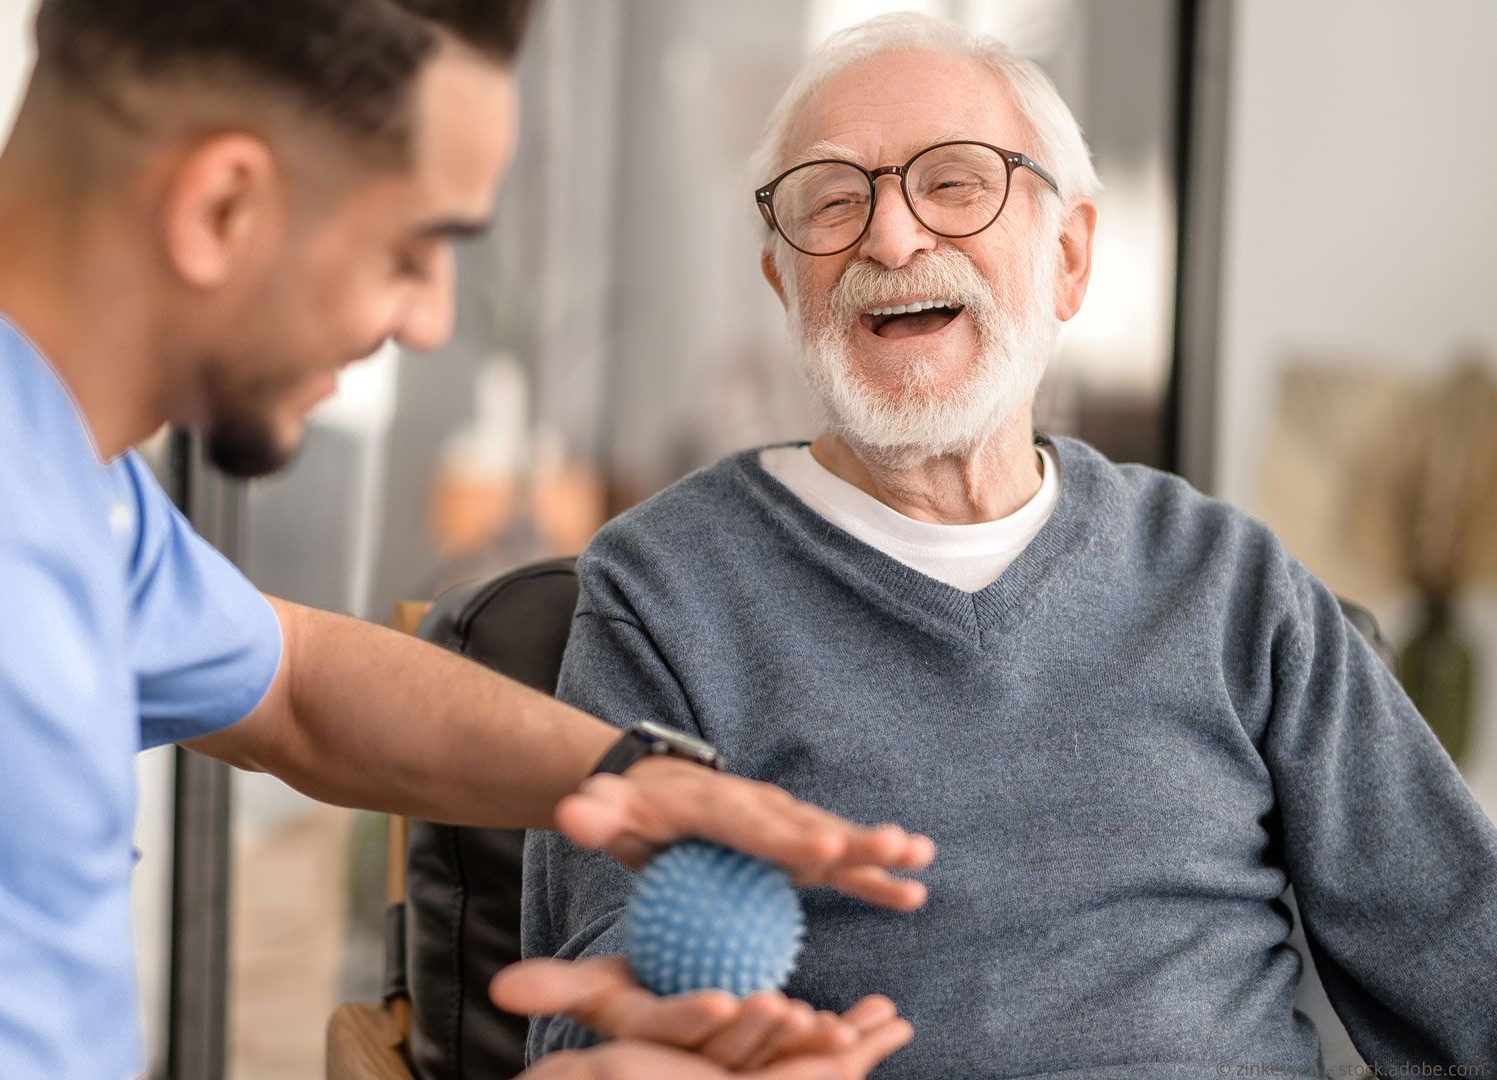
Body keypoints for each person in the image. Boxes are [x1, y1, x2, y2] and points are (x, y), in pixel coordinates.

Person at [0, 2, 932, 1076]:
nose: (430, 322)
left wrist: (634, 778)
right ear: (224, 205)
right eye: (415, 247)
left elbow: (290, 685)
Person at [522, 11, 1497, 1079]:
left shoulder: (1234, 585)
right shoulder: (667, 589)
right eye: (835, 200)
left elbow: (1462, 959)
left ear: (1069, 255)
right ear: (780, 284)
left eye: (953, 183)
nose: (889, 240)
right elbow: (594, 1008)